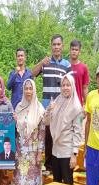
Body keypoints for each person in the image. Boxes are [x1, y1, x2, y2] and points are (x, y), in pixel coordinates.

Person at [32, 34, 71, 174]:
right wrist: (41, 63)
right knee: (47, 137)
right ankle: (48, 167)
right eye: (54, 44)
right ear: (51, 46)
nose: (56, 47)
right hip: (47, 106)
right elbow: (32, 74)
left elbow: (69, 86)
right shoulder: (46, 62)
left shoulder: (67, 65)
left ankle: (58, 168)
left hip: (61, 106)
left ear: (62, 46)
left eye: (58, 44)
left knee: (59, 136)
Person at [8, 79, 45, 185]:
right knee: (20, 180)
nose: (28, 91)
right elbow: (15, 131)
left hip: (33, 151)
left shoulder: (40, 109)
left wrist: (40, 152)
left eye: (30, 88)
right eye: (26, 88)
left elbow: (42, 132)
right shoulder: (19, 107)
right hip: (21, 150)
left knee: (32, 182)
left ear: (34, 90)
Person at [43, 74, 83, 185]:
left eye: (68, 85)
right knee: (56, 181)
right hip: (55, 150)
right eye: (63, 85)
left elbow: (78, 132)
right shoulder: (57, 101)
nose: (65, 87)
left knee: (67, 182)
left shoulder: (76, 107)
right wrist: (49, 110)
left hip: (67, 152)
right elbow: (46, 122)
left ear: (73, 86)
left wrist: (74, 155)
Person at [69, 40, 90, 106]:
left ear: (79, 52)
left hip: (78, 104)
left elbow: (85, 88)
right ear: (70, 51)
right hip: (66, 104)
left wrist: (86, 104)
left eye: (76, 50)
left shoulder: (84, 67)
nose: (74, 51)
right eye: (72, 49)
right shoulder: (65, 65)